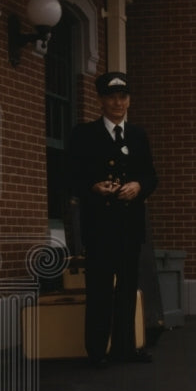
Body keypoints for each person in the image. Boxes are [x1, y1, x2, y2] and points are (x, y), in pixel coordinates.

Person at [68, 71, 158, 367]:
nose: (118, 103)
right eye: (111, 97)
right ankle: (97, 351)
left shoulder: (138, 135)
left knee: (127, 288)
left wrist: (139, 186)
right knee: (100, 289)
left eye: (123, 97)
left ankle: (125, 348)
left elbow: (151, 176)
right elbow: (70, 177)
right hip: (99, 226)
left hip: (130, 225)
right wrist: (93, 187)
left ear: (129, 100)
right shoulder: (84, 134)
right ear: (101, 100)